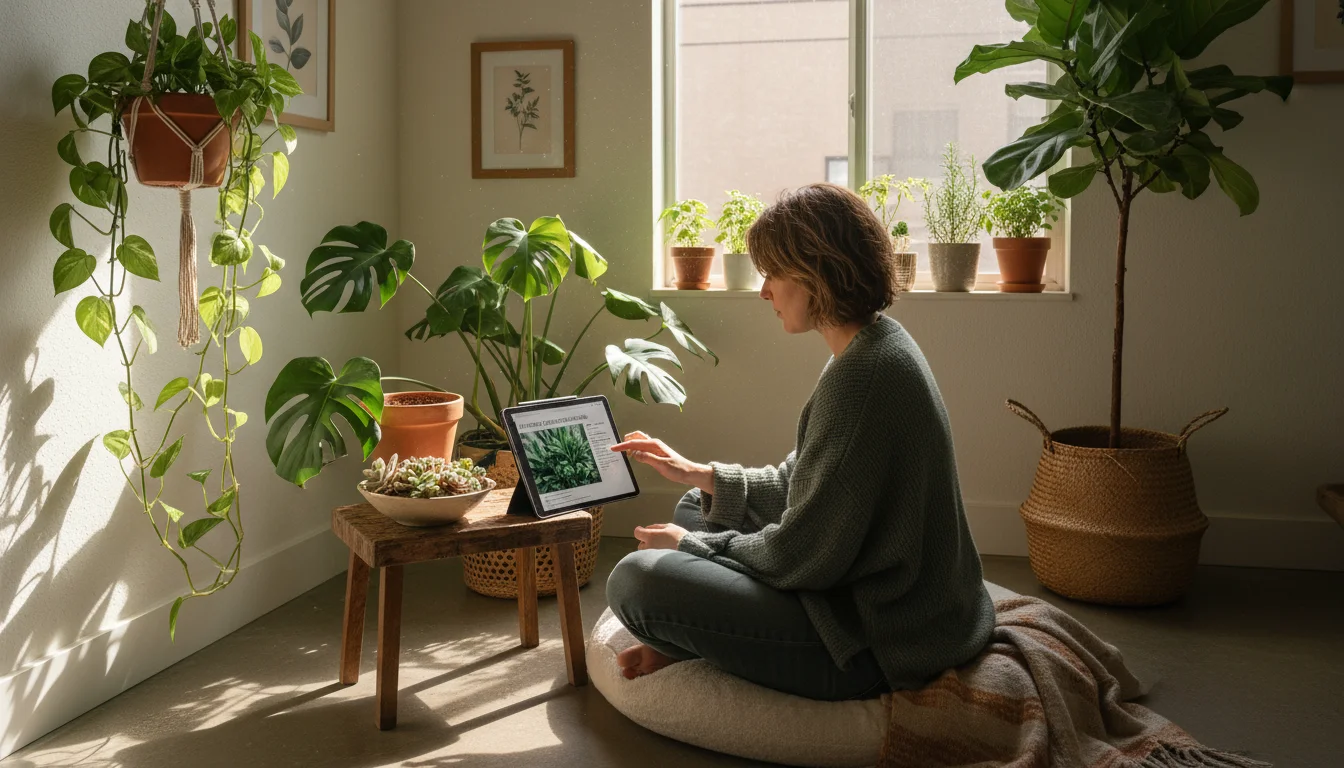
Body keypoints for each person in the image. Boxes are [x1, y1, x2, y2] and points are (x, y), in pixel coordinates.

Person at [604, 183, 995, 702]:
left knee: (637, 580)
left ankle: (698, 641)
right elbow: (807, 482)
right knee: (695, 505)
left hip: (874, 640)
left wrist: (691, 548)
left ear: (817, 274)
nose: (764, 291)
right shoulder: (875, 344)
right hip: (874, 594)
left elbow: (801, 554)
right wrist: (701, 474)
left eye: (774, 275)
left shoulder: (863, 379)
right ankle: (702, 638)